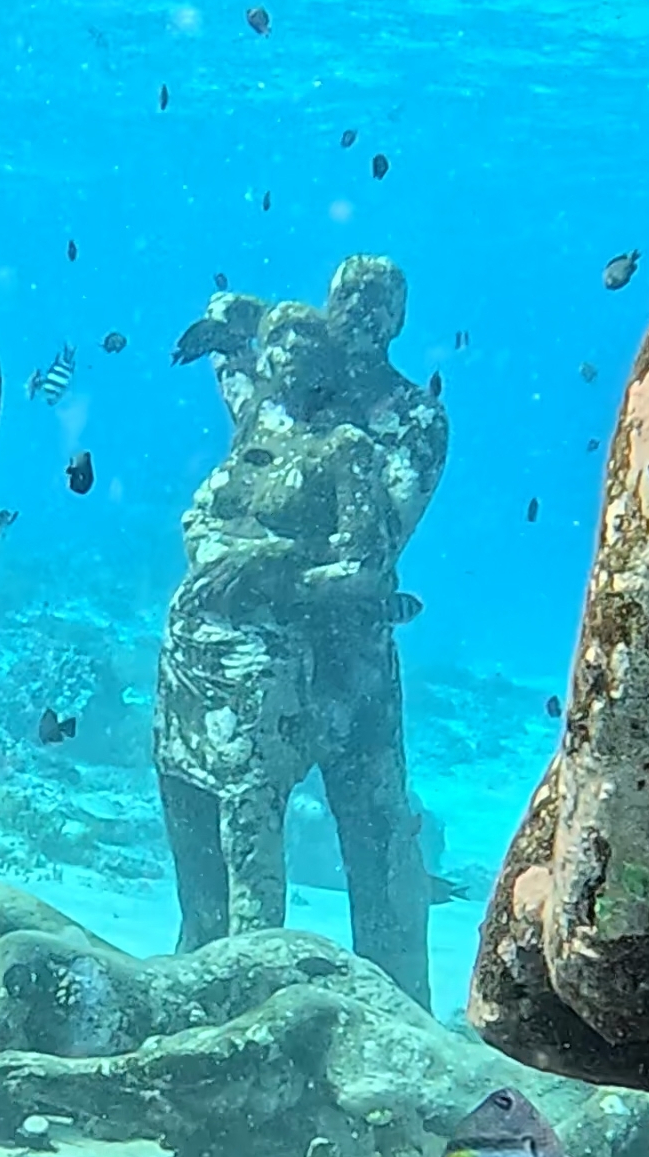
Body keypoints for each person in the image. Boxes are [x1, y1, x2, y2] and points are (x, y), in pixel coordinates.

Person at [155, 254, 444, 1006]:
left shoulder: (410, 415)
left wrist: (275, 565)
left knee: (375, 830)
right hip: (249, 656)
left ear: (401, 317)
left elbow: (386, 539)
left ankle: (399, 1008)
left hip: (351, 658)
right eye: (345, 293)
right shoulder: (273, 403)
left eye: (378, 298)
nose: (359, 309)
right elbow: (236, 340)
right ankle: (218, 984)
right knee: (229, 818)